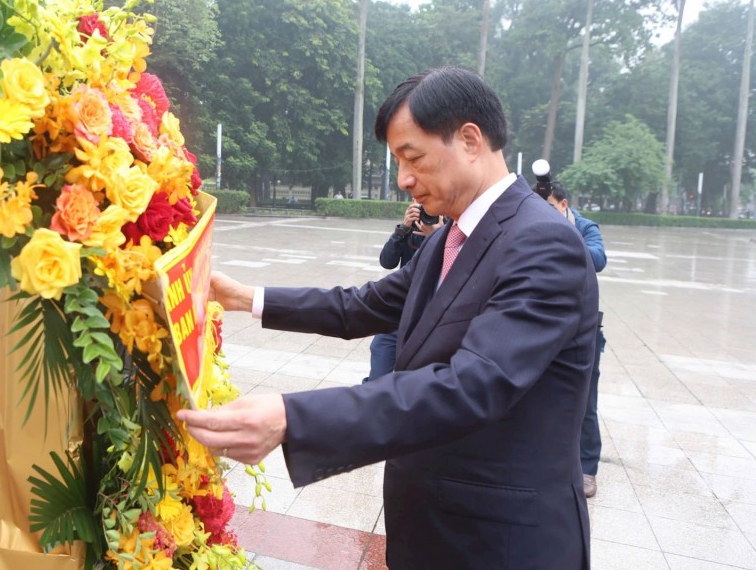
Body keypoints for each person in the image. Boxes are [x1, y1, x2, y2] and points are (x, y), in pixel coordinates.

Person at [178, 66, 599, 569]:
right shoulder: (448, 238)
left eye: (412, 158)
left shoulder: (543, 242)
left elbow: (471, 385)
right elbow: (364, 305)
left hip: (502, 544)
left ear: (469, 139)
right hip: (433, 529)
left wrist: (295, 418)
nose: (403, 179)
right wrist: (244, 297)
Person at [548, 180, 607, 498]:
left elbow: (598, 259)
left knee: (586, 401)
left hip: (583, 331)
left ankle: (587, 469)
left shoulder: (584, 227)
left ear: (564, 205)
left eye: (550, 208)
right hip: (546, 326)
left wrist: (566, 235)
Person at [364, 199, 442, 382]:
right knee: (379, 364)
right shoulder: (410, 228)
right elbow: (387, 261)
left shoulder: (449, 228)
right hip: (401, 309)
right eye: (418, 201)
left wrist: (438, 236)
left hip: (431, 314)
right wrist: (403, 229)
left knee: (417, 380)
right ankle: (373, 400)